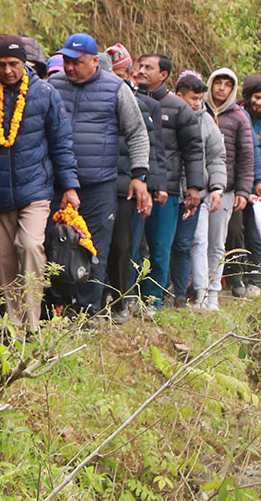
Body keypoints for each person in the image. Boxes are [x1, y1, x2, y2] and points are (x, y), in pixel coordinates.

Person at [47, 34, 150, 317]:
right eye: (66, 61)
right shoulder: (52, 86)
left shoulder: (116, 88)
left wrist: (139, 175)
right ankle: (58, 306)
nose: (69, 68)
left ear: (95, 61)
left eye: (76, 63)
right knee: (55, 244)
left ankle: (86, 310)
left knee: (94, 249)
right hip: (57, 183)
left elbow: (137, 132)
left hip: (99, 184)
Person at [0, 35, 79, 332]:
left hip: (35, 188)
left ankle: (32, 322)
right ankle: (15, 325)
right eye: (1, 64)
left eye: (14, 63)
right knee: (4, 258)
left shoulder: (45, 93)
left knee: (30, 245)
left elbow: (61, 143)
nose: (8, 70)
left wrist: (70, 187)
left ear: (25, 63)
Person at [132, 53, 204, 309]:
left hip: (168, 189)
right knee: (131, 247)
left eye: (148, 67)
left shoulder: (179, 108)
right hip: (134, 184)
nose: (141, 71)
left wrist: (194, 187)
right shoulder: (128, 98)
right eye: (139, 66)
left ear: (163, 75)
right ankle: (128, 298)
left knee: (160, 248)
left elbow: (194, 150)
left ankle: (154, 301)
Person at [103, 45, 162, 322]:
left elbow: (150, 145)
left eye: (119, 74)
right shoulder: (97, 97)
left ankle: (120, 301)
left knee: (124, 245)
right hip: (97, 182)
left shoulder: (138, 103)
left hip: (126, 185)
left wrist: (147, 184)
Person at [171, 72, 226, 307]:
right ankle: (163, 291)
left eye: (200, 98)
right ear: (179, 95)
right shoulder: (166, 112)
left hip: (197, 193)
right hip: (168, 189)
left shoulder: (206, 121)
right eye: (193, 98)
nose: (197, 103)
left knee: (196, 242)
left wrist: (216, 187)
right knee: (160, 245)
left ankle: (200, 294)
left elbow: (216, 157)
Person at [203, 69, 253, 311]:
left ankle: (230, 279)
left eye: (227, 85)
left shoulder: (239, 117)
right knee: (196, 240)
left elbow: (246, 156)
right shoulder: (198, 111)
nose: (221, 89)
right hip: (198, 187)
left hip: (228, 188)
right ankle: (198, 284)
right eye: (217, 83)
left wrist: (244, 190)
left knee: (227, 237)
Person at [231, 75, 261, 298]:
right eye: (257, 97)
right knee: (241, 231)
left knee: (255, 234)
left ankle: (256, 278)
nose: (259, 103)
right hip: (244, 182)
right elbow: (250, 152)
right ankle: (238, 274)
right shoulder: (240, 115)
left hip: (255, 182)